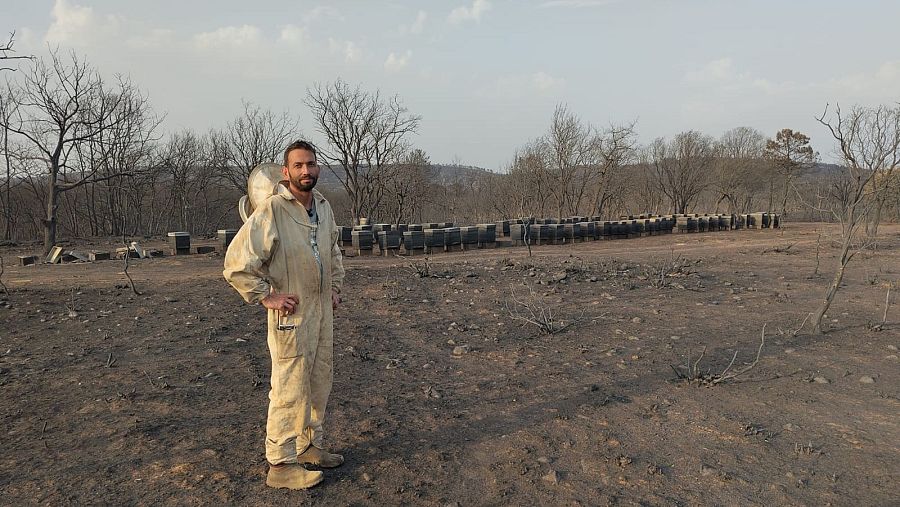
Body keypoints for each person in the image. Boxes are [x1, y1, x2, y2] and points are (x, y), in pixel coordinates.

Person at [223, 140, 345, 490]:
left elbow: (334, 252)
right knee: (289, 389)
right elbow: (237, 265)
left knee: (318, 382)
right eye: (298, 166)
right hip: (291, 320)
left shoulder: (323, 207)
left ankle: (309, 447)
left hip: (321, 314)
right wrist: (267, 296)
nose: (306, 171)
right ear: (285, 171)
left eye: (311, 164)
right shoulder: (272, 210)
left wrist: (334, 289)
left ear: (317, 167)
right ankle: (281, 464)